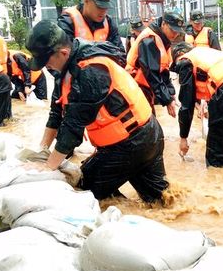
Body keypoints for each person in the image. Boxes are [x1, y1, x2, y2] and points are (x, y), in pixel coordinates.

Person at [25, 20, 169, 202]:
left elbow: (73, 127)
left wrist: (49, 167)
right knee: (160, 201)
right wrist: (42, 151)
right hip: (144, 136)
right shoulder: (68, 66)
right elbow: (56, 113)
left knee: (84, 192)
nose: (46, 67)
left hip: (130, 144)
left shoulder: (90, 71)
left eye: (46, 62)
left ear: (63, 52)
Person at [125, 10, 183, 117]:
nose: (176, 34)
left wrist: (170, 92)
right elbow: (151, 73)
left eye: (178, 31)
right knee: (147, 126)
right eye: (173, 30)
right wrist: (167, 100)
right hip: (135, 89)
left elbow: (163, 70)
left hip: (146, 89)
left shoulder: (162, 40)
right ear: (164, 24)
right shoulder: (149, 40)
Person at [58, 0, 123, 50]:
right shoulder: (67, 21)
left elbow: (120, 53)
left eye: (106, 7)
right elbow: (66, 53)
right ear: (86, 1)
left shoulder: (109, 23)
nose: (103, 11)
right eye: (99, 7)